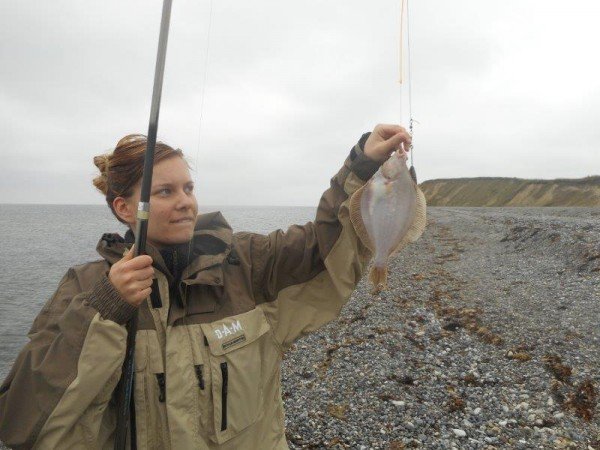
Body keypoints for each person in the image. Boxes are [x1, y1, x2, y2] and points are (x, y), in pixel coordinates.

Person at [0, 124, 412, 450]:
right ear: (123, 208)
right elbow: (23, 419)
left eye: (188, 188)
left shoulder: (245, 262)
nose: (185, 202)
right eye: (164, 191)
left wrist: (360, 165)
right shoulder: (86, 287)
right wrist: (107, 307)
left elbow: (320, 244)